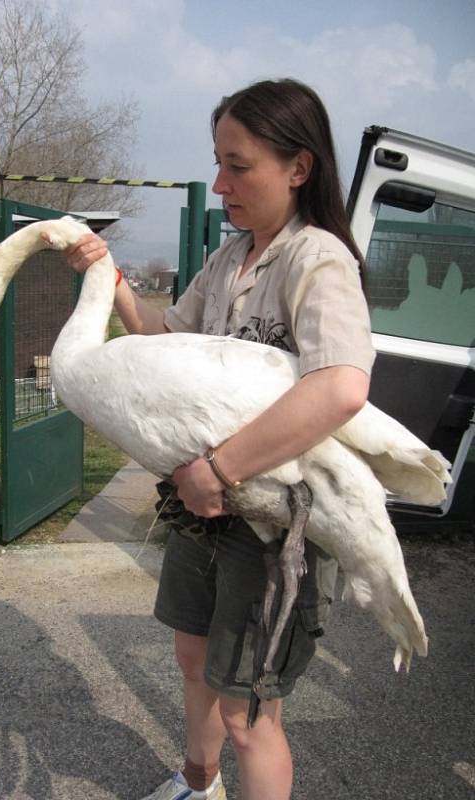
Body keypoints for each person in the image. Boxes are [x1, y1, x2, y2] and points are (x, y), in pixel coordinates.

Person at [66, 78, 375, 800]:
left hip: (272, 524)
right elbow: (158, 338)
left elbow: (340, 387)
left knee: (250, 713)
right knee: (192, 659)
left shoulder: (318, 261)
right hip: (203, 511)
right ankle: (196, 785)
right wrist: (108, 284)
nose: (219, 183)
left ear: (298, 167)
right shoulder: (229, 259)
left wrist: (217, 467)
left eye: (238, 165)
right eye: (217, 161)